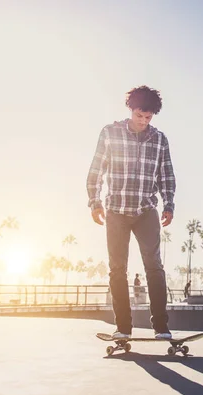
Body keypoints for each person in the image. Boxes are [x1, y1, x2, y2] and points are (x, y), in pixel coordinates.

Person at [86, 85, 176, 340]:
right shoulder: (110, 133)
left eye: (148, 118)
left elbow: (166, 175)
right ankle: (123, 327)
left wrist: (168, 204)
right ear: (131, 109)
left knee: (154, 267)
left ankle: (161, 326)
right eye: (139, 115)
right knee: (117, 268)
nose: (143, 121)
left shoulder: (159, 139)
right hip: (116, 210)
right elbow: (96, 170)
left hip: (146, 210)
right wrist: (95, 202)